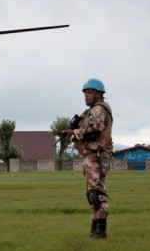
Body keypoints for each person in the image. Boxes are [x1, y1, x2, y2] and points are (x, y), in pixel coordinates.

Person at [63, 78, 113, 239]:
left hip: (97, 155)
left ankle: (101, 230)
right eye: (85, 93)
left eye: (89, 92)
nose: (86, 96)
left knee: (97, 193)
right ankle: (95, 227)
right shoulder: (92, 111)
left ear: (99, 94)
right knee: (92, 193)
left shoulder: (98, 110)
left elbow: (94, 131)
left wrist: (75, 132)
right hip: (92, 155)